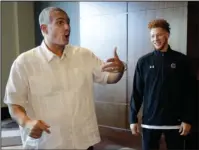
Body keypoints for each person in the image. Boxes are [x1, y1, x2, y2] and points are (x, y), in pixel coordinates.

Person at [4, 7, 126, 149]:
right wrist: (26, 122)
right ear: (44, 29)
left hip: (82, 142)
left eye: (68, 23)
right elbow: (14, 103)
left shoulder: (84, 55)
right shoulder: (24, 62)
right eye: (60, 23)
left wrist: (120, 71)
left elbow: (109, 78)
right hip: (47, 143)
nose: (67, 27)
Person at [129, 19, 194, 150]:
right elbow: (137, 92)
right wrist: (132, 118)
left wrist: (188, 119)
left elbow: (191, 93)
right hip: (149, 123)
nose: (155, 39)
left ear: (167, 35)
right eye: (152, 36)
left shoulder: (182, 60)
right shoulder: (143, 62)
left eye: (159, 35)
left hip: (176, 124)